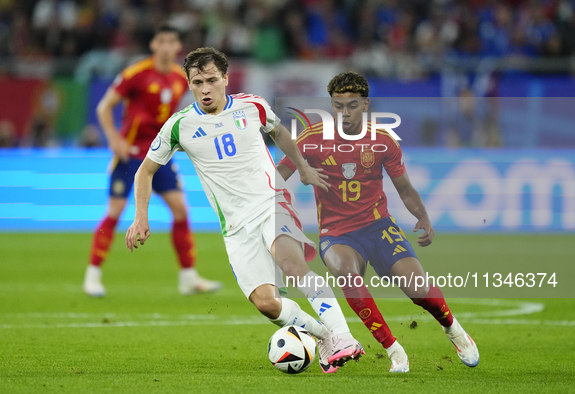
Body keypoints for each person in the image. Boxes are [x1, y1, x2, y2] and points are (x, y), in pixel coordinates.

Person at [125, 47, 364, 373]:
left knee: (292, 266)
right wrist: (141, 215)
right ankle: (325, 338)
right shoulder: (179, 126)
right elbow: (144, 171)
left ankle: (345, 337)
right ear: (189, 84)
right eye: (197, 82)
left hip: (271, 203)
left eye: (211, 80)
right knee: (266, 303)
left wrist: (303, 168)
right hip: (236, 228)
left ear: (225, 78)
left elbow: (279, 132)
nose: (205, 88)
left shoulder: (253, 106)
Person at [277, 71, 479, 372]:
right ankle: (393, 349)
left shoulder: (383, 141)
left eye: (352, 105)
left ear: (366, 104)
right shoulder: (311, 139)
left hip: (378, 226)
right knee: (346, 273)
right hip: (337, 233)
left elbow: (405, 189)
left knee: (418, 289)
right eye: (338, 105)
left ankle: (454, 330)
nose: (345, 113)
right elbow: (278, 176)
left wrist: (422, 215)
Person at [84, 25, 221, 297]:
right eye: (163, 41)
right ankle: (93, 275)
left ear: (178, 46)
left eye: (173, 41)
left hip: (161, 155)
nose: (168, 47)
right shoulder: (135, 74)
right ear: (154, 45)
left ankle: (188, 277)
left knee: (181, 211)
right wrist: (114, 139)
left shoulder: (182, 78)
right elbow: (104, 107)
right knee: (115, 212)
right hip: (131, 154)